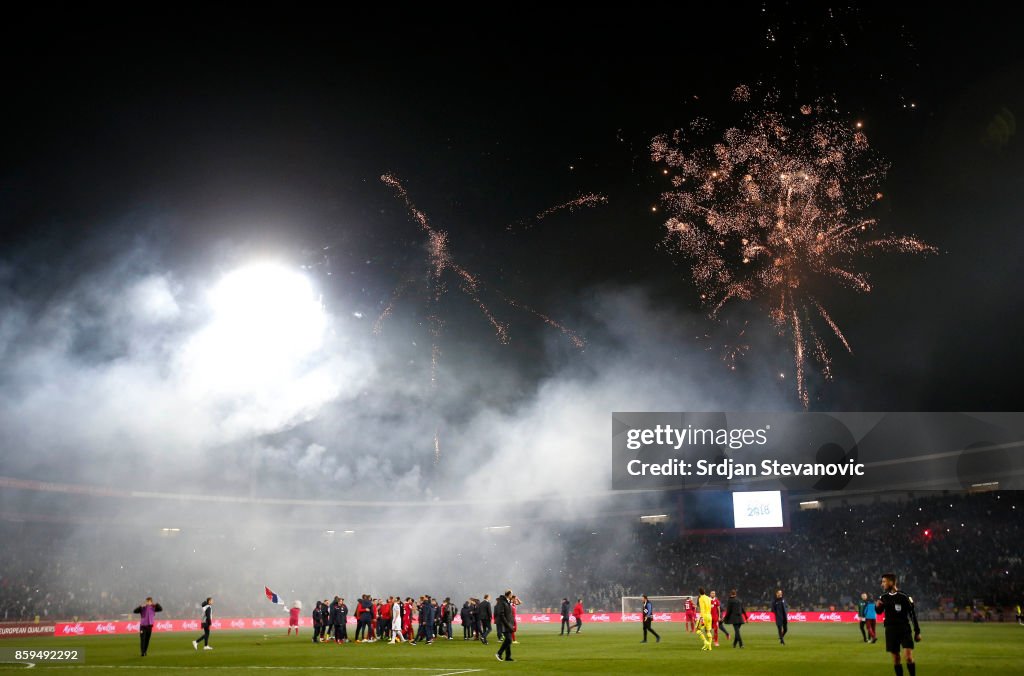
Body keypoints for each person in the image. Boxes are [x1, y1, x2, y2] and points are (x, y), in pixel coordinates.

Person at [876, 573, 921, 676]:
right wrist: (877, 607)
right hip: (890, 630)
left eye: (884, 581)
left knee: (908, 657)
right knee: (896, 659)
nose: (882, 584)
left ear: (891, 582)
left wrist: (917, 631)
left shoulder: (904, 596)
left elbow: (912, 614)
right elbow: (879, 612)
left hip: (904, 630)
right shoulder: (883, 597)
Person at [495, 590, 515, 662]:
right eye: (511, 594)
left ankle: (508, 657)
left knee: (508, 640)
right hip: (504, 624)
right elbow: (501, 614)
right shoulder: (502, 602)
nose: (512, 595)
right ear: (509, 594)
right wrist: (507, 624)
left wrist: (511, 624)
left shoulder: (507, 601)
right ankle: (499, 653)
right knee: (509, 640)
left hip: (508, 624)